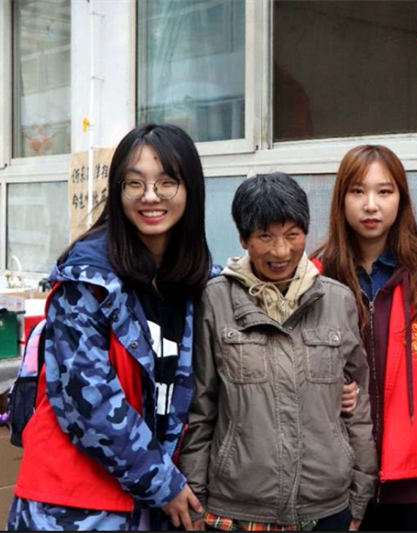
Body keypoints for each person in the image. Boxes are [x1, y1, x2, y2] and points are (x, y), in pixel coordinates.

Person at [8, 124, 214, 531]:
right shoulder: (87, 280)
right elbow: (88, 401)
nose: (150, 196)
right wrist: (163, 483)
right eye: (134, 183)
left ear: (190, 190)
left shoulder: (198, 284)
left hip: (155, 506)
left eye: (167, 182)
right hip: (73, 510)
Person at [179, 173, 377, 531]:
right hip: (237, 507)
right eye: (265, 236)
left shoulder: (338, 301)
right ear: (243, 238)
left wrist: (361, 494)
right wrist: (195, 496)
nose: (281, 251)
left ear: (307, 232)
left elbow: (357, 408)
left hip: (326, 506)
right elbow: (201, 409)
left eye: (292, 234)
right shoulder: (216, 300)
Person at [313, 145, 417, 531]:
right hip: (334, 474)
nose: (371, 205)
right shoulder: (316, 278)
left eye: (384, 191)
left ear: (401, 198)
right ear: (341, 200)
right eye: (358, 191)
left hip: (415, 475)